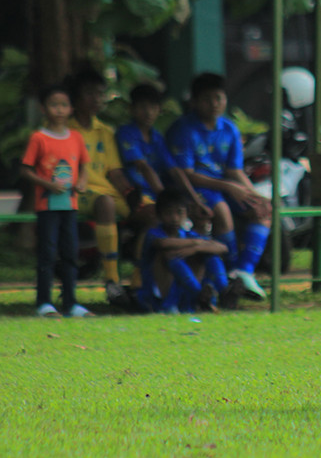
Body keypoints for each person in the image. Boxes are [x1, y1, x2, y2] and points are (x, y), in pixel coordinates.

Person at [166, 72, 271, 300]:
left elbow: (235, 170)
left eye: (219, 98)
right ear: (194, 101)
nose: (214, 104)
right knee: (222, 211)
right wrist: (229, 186)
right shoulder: (184, 129)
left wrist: (255, 195)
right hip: (195, 190)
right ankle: (228, 273)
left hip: (224, 187)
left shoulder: (229, 129)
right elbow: (187, 175)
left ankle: (244, 271)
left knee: (262, 210)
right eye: (207, 99)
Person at [69, 69, 156, 308]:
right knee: (105, 203)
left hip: (106, 190)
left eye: (100, 94)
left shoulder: (105, 131)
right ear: (75, 97)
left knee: (156, 213)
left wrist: (130, 194)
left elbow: (115, 172)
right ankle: (112, 281)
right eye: (89, 93)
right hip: (79, 191)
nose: (96, 99)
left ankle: (138, 284)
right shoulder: (65, 128)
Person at [20, 84, 93, 318]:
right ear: (43, 108)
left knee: (71, 252)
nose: (59, 110)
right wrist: (48, 185)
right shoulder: (38, 138)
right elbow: (26, 169)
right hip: (47, 207)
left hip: (70, 206)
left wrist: (82, 182)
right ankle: (44, 302)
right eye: (54, 104)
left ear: (71, 108)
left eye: (63, 105)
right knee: (47, 253)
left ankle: (71, 302)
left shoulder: (76, 137)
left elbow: (84, 165)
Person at [116, 84, 212, 217]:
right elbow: (143, 167)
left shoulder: (157, 137)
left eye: (153, 107)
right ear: (131, 109)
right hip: (134, 197)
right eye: (143, 107)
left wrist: (195, 200)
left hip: (157, 196)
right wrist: (166, 200)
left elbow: (174, 171)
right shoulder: (126, 133)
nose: (149, 112)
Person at [138, 188, 240, 313]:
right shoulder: (154, 233)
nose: (175, 218)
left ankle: (223, 290)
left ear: (186, 214)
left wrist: (197, 248)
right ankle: (199, 297)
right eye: (169, 213)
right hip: (157, 293)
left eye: (179, 213)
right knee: (170, 254)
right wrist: (196, 243)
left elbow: (222, 248)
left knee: (209, 255)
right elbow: (163, 243)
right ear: (159, 215)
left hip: (183, 291)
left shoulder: (186, 234)